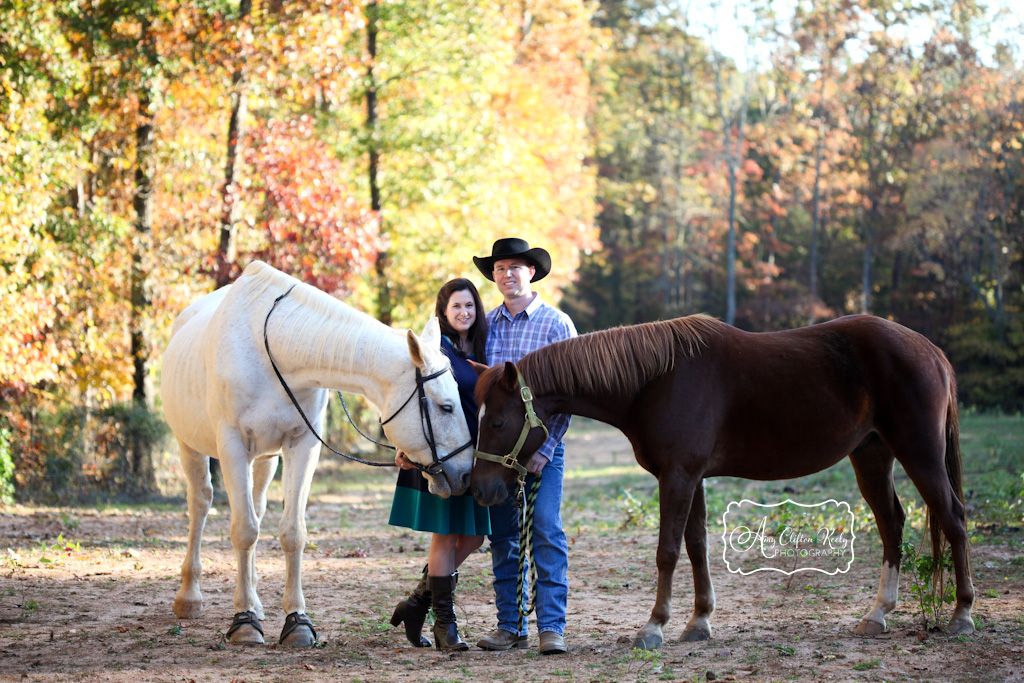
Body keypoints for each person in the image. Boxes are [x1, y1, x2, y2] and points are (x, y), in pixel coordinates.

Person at [471, 237, 577, 655]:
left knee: (546, 529)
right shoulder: (487, 327)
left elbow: (570, 395)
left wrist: (544, 451)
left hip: (541, 451)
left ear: (531, 272)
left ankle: (551, 627)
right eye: (499, 269)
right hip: (498, 451)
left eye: (515, 267)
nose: (506, 275)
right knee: (503, 537)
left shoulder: (556, 324)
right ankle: (509, 627)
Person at [388, 278, 491, 651]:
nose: (464, 312)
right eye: (456, 307)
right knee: (445, 536)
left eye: (469, 306)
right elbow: (405, 399)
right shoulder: (434, 350)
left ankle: (417, 603)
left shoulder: (482, 345)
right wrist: (404, 445)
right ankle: (445, 626)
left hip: (472, 456)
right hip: (439, 456)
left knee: (475, 536)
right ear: (443, 314)